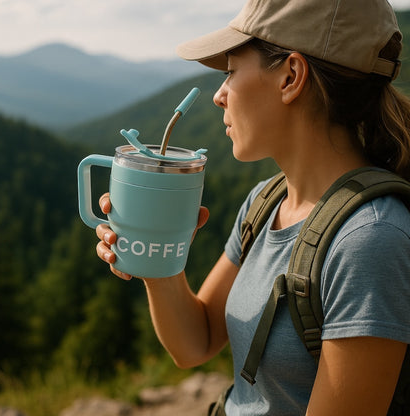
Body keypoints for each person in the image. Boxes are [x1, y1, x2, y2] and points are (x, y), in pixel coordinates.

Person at [95, 0, 410, 414]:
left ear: (291, 77)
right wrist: (157, 257)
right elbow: (197, 343)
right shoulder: (266, 201)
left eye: (229, 71)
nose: (219, 95)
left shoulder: (370, 240)